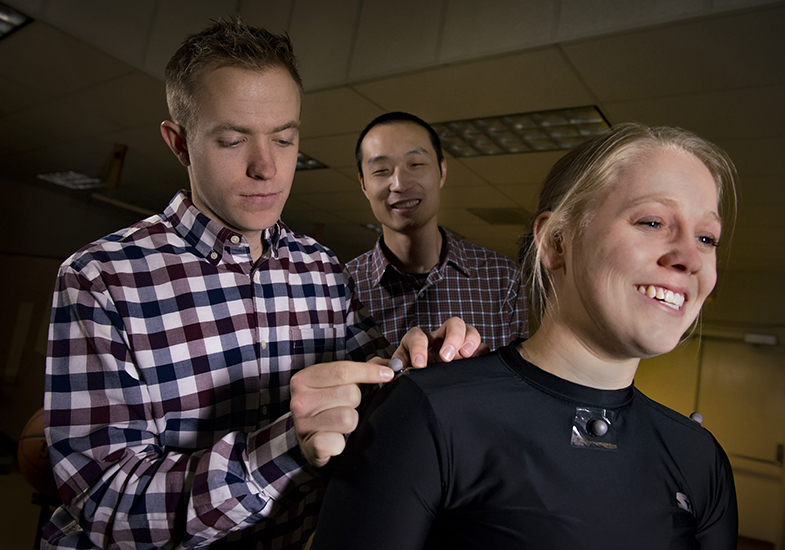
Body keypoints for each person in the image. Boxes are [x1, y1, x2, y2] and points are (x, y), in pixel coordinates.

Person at [43, 20, 480, 550]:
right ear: (179, 144)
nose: (266, 167)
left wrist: (419, 363)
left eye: (284, 138)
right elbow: (106, 507)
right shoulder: (100, 278)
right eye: (231, 140)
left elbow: (376, 387)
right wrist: (283, 447)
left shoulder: (318, 266)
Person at [311, 122, 739, 549]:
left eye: (706, 237)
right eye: (652, 222)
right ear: (556, 242)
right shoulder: (425, 413)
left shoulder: (700, 459)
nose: (690, 257)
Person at [347, 112, 528, 349]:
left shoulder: (501, 277)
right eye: (381, 170)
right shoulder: (342, 287)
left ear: (442, 171)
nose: (400, 184)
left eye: (416, 164)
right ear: (363, 184)